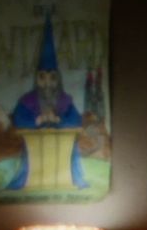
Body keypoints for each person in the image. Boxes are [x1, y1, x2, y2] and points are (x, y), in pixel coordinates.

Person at [6, 12, 88, 191]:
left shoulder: (65, 100)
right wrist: (37, 120)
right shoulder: (27, 101)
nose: (47, 83)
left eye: (52, 78)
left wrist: (59, 120)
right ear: (37, 79)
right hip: (35, 152)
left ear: (58, 79)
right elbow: (18, 119)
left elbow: (76, 120)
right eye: (42, 77)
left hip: (62, 152)